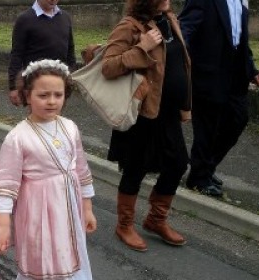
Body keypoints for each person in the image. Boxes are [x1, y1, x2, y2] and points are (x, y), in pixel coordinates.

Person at [0, 59, 97, 279]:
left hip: (69, 206)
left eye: (58, 95)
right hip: (38, 212)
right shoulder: (18, 137)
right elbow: (5, 185)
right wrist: (3, 224)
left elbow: (81, 170)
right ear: (27, 96)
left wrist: (86, 208)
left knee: (70, 250)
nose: (51, 101)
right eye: (43, 95)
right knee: (43, 257)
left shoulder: (70, 127)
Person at [102, 0, 192, 251]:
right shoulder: (129, 27)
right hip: (141, 114)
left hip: (168, 112)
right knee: (136, 168)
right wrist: (143, 47)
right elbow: (108, 67)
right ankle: (124, 225)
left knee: (177, 163)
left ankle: (155, 219)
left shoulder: (170, 20)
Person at [179, 0, 259, 197]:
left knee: (238, 119)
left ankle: (205, 167)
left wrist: (251, 69)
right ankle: (199, 178)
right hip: (208, 74)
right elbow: (185, 29)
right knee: (207, 128)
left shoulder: (241, 1)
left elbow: (240, 37)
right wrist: (181, 62)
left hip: (235, 74)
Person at [7, 0, 75, 107]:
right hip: (36, 83)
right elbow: (17, 54)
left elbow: (70, 49)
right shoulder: (25, 19)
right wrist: (13, 87)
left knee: (56, 117)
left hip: (59, 82)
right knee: (38, 118)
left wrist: (71, 76)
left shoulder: (65, 17)